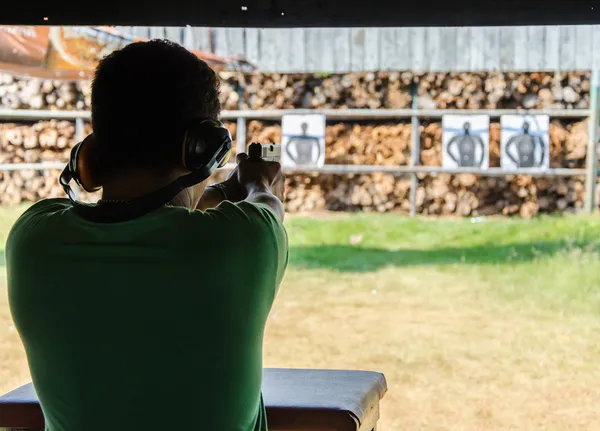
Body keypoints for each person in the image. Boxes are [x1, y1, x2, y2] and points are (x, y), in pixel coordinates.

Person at [5, 40, 288, 431]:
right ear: (201, 149)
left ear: (90, 153)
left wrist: (221, 192)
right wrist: (259, 183)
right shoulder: (243, 242)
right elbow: (266, 205)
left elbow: (143, 217)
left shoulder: (34, 239)